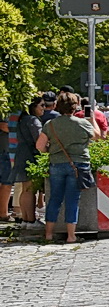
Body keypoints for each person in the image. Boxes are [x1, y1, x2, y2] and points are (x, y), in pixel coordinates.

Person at [37, 92, 95, 245]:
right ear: (76, 107)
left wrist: (51, 152)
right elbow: (99, 136)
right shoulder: (83, 123)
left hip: (56, 163)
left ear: (57, 106)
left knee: (54, 199)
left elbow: (39, 146)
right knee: (72, 200)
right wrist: (92, 118)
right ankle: (71, 236)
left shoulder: (50, 124)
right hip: (79, 165)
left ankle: (48, 234)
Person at [12, 95, 46, 223]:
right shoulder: (33, 120)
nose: (44, 108)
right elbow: (39, 140)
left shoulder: (23, 119)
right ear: (33, 106)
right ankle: (31, 220)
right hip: (30, 155)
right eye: (41, 105)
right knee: (30, 189)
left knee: (25, 188)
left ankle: (26, 219)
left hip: (21, 154)